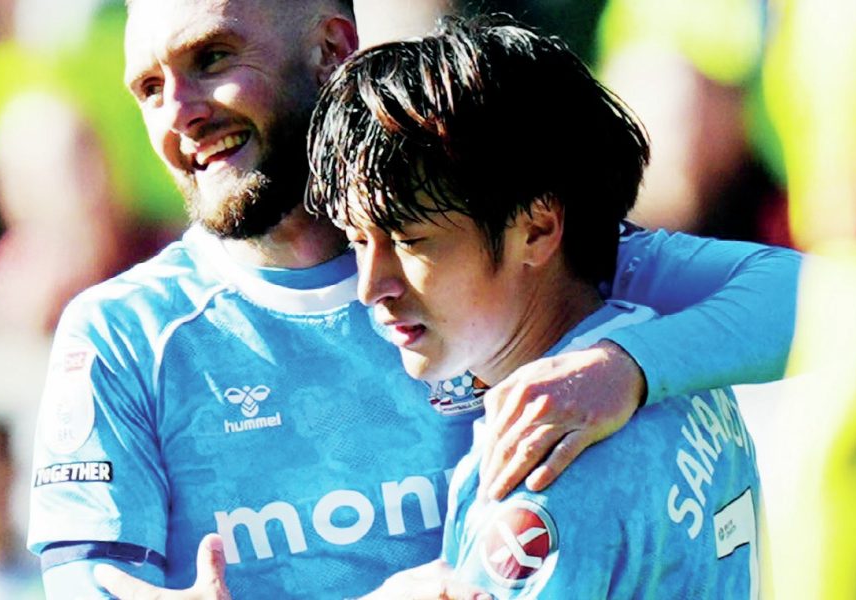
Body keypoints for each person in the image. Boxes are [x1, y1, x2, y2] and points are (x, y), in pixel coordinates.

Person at [30, 0, 798, 598]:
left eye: (213, 58)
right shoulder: (124, 338)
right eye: (148, 87)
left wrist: (628, 365)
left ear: (331, 48)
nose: (178, 113)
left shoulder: (514, 258)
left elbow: (818, 301)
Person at [303, 15, 760, 597]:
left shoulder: (541, 466)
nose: (371, 287)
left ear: (538, 230)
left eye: (410, 240)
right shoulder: (665, 357)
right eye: (358, 241)